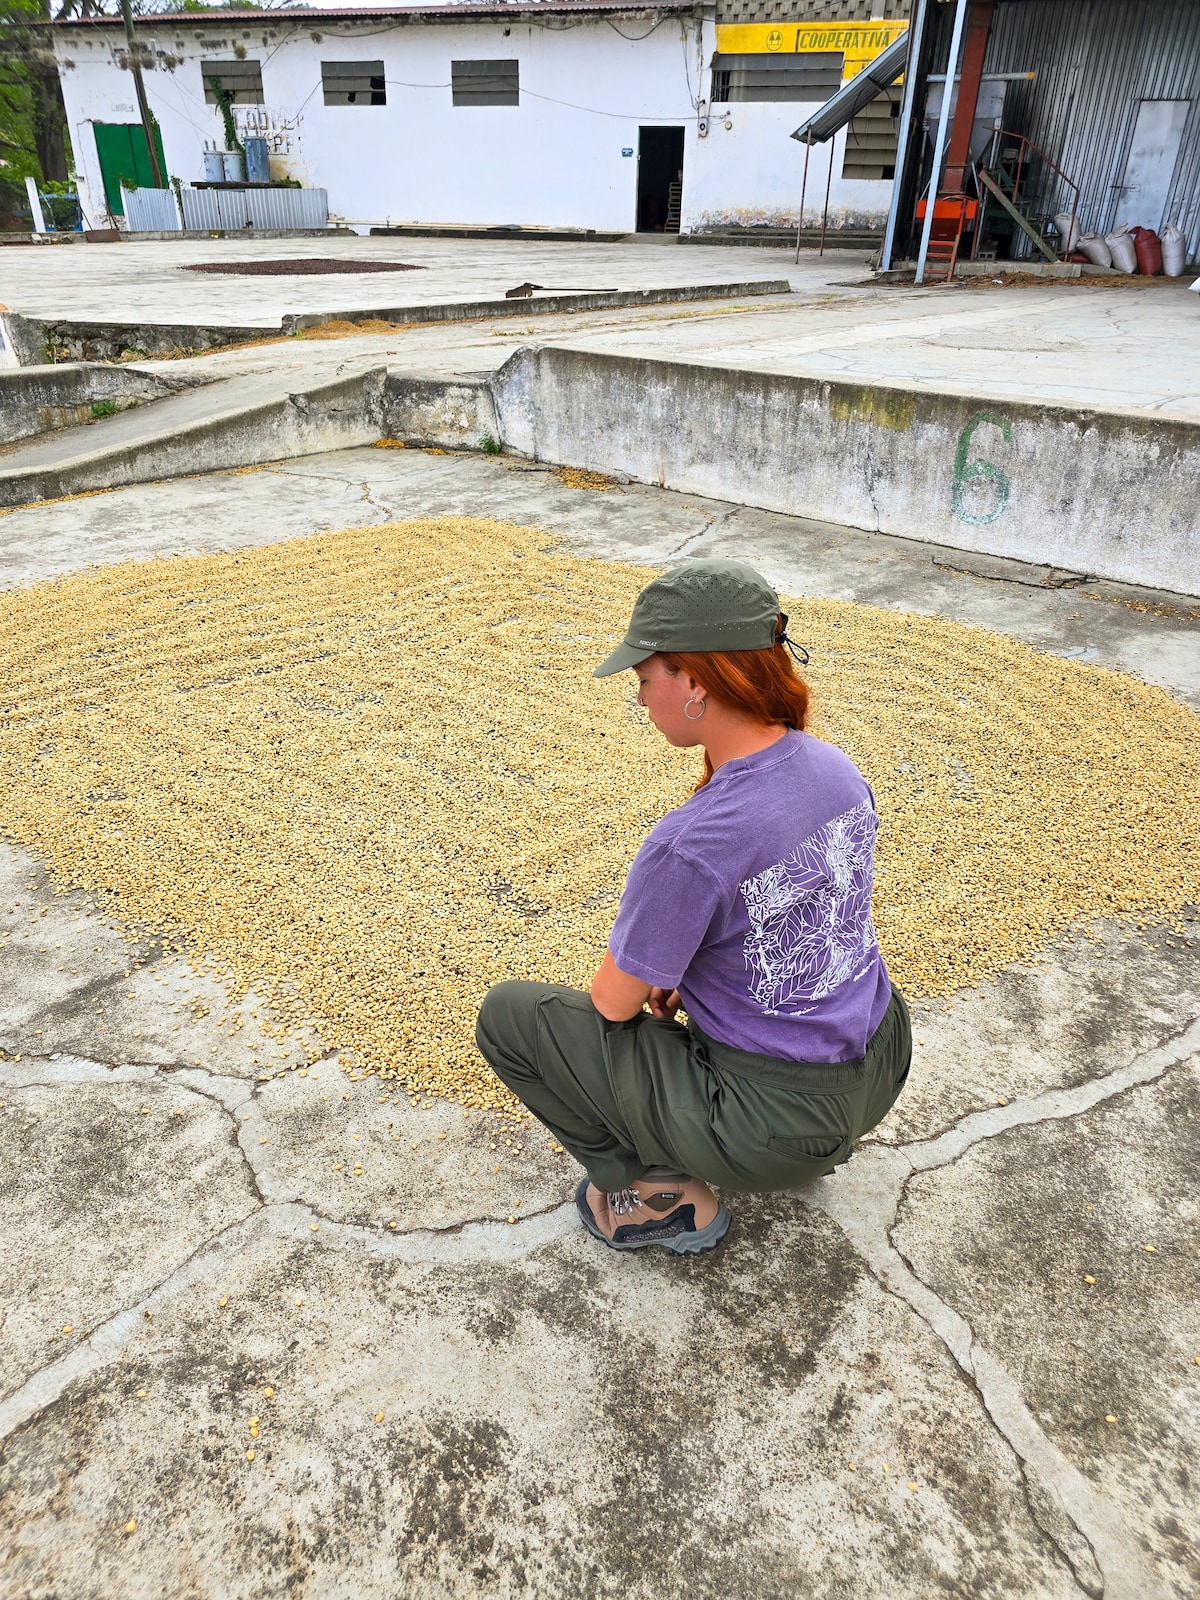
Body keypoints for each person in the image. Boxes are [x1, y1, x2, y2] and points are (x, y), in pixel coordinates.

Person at [476, 559, 910, 1256]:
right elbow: (804, 914)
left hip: (775, 1125)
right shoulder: (835, 769)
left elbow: (615, 1004)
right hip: (881, 1063)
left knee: (510, 1017)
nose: (640, 697)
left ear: (696, 683)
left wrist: (661, 970)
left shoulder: (689, 845)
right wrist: (700, 974)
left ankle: (655, 1196)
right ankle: (808, 1146)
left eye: (645, 679)